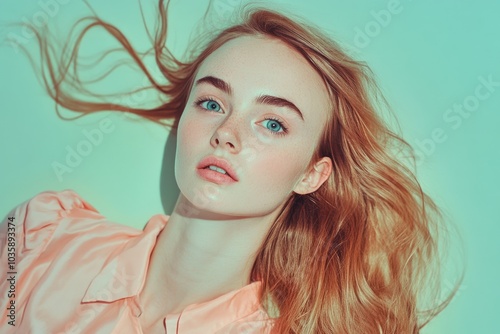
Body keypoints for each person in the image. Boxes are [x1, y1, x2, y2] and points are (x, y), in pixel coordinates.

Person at [0, 0, 459, 333]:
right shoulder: (43, 238)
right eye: (211, 102)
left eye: (273, 124)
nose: (227, 133)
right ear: (183, 121)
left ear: (311, 175)